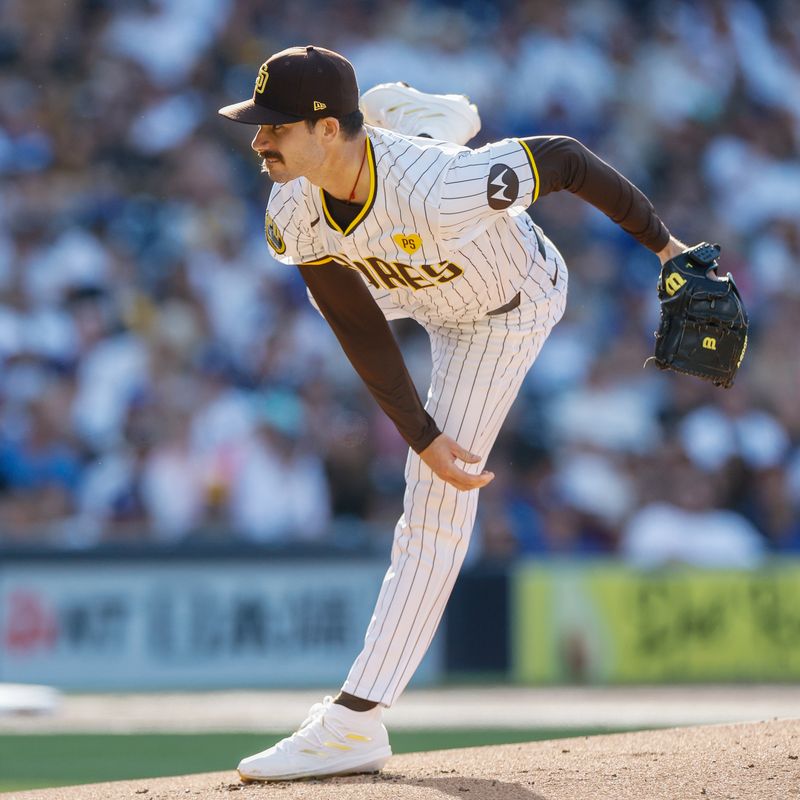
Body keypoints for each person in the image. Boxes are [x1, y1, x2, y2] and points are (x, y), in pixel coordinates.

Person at [219, 44, 686, 782]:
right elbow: (353, 319)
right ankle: (427, 119)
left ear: (327, 130)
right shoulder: (291, 206)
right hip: (405, 285)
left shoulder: (443, 188)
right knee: (402, 212)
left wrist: (667, 247)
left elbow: (563, 158)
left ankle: (356, 721)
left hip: (503, 306)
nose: (258, 139)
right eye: (259, 124)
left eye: (274, 125)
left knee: (435, 503)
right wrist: (420, 431)